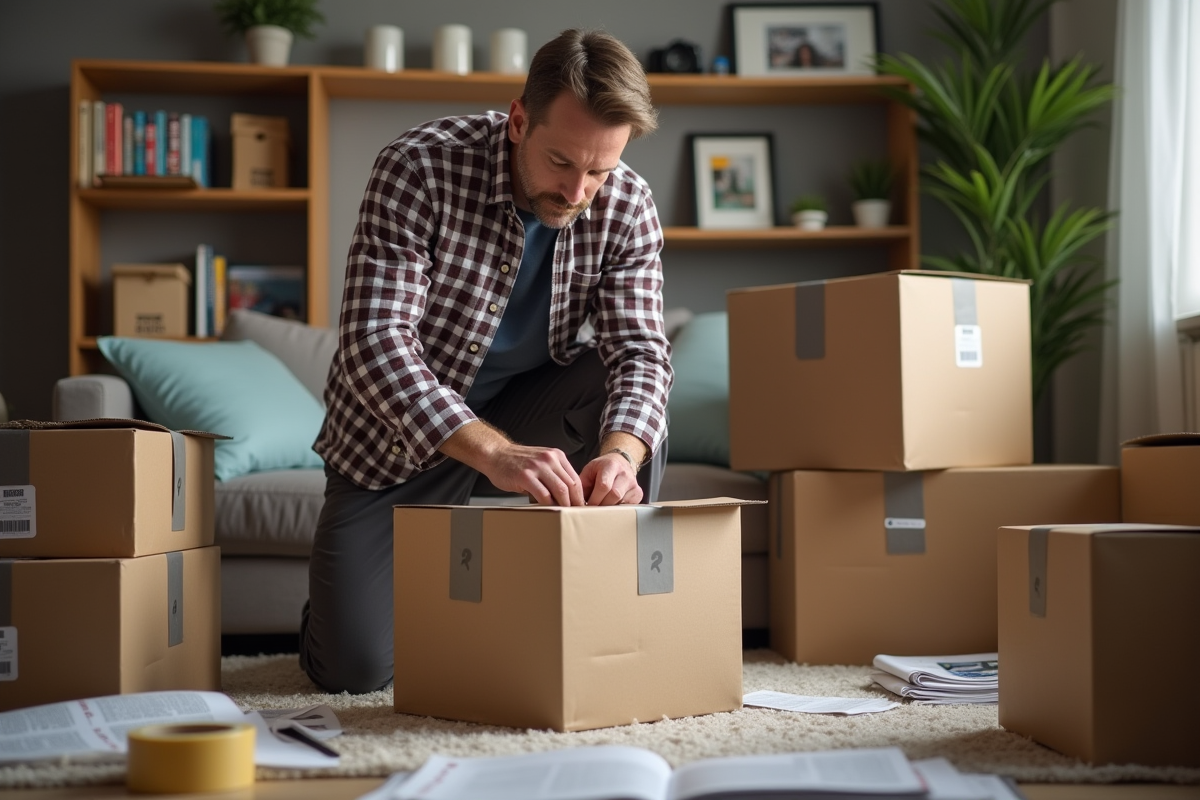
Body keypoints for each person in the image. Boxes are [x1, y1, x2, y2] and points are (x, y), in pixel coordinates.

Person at [299, 28, 673, 694]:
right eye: (561, 161)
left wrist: (620, 458)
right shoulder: (419, 167)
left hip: (526, 409)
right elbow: (374, 340)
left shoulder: (627, 204)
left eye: (600, 169)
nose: (578, 190)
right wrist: (494, 455)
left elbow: (641, 351)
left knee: (630, 411)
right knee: (353, 672)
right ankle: (337, 621)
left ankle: (618, 624)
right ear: (519, 120)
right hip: (397, 443)